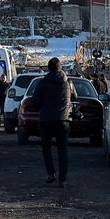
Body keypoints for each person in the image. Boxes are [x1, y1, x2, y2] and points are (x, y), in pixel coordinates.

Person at [28, 57, 76, 188]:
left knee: (46, 148)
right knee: (63, 150)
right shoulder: (68, 82)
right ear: (60, 68)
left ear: (48, 68)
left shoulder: (43, 82)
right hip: (63, 120)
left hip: (46, 120)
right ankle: (63, 179)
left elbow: (35, 102)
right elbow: (74, 97)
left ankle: (51, 173)